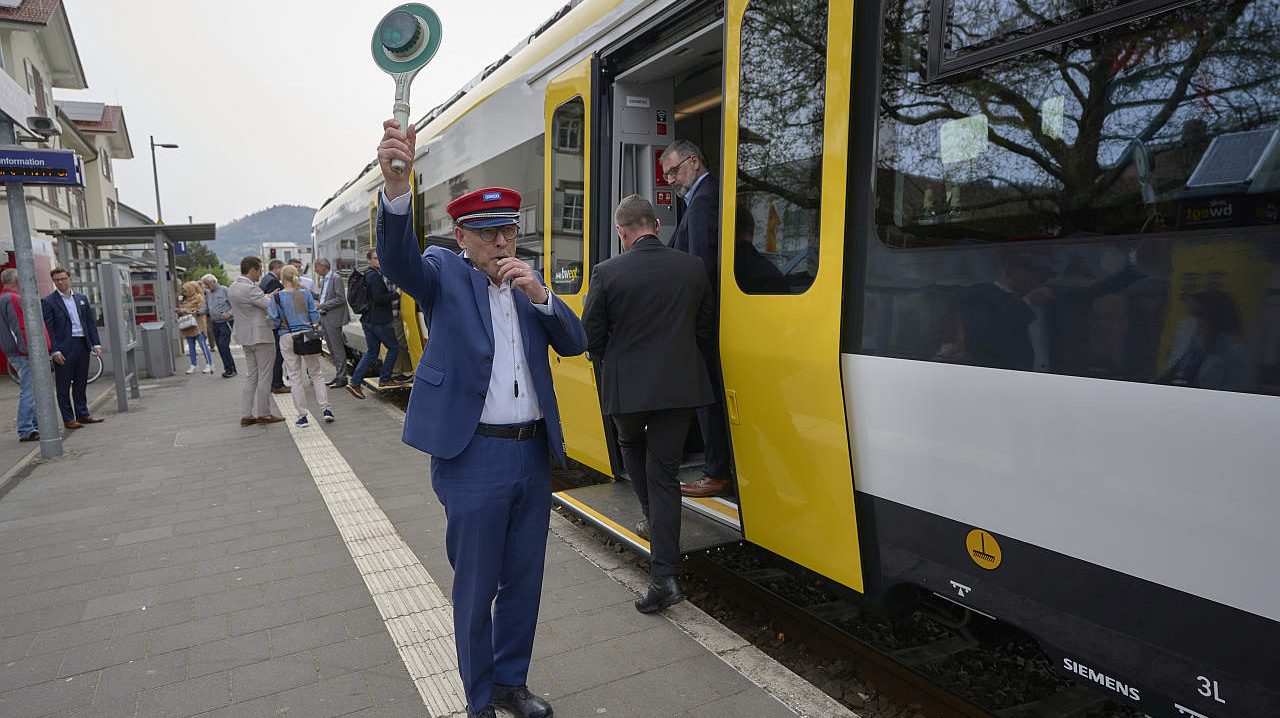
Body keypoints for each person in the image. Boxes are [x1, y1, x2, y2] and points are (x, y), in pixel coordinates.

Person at [377, 118, 587, 718]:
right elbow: (399, 262)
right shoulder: (445, 276)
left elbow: (573, 343)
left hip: (530, 453)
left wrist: (543, 297)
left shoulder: (528, 286)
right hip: (474, 457)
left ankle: (510, 685)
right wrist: (397, 188)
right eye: (489, 234)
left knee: (525, 579)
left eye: (509, 233)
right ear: (462, 237)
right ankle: (476, 703)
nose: (502, 245)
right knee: (476, 589)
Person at [583, 195, 714, 613]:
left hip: (629, 391)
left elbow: (592, 338)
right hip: (679, 386)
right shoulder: (691, 267)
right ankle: (664, 577)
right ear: (656, 224)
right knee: (666, 475)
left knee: (630, 445)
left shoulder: (607, 272)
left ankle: (646, 516)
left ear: (622, 232)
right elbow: (704, 327)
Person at [659, 140, 734, 497]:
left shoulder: (704, 202)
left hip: (703, 321)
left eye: (673, 171)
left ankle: (716, 472)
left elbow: (699, 267)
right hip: (709, 318)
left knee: (708, 397)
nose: (670, 180)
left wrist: (690, 319)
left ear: (693, 161)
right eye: (666, 175)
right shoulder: (700, 201)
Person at [269, 264, 333, 426]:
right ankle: (326, 409)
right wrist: (312, 325)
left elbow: (274, 320)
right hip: (307, 335)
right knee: (316, 373)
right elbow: (314, 314)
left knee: (295, 376)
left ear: (282, 279)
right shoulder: (305, 293)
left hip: (287, 336)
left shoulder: (277, 297)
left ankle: (303, 416)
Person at [41, 268, 103, 430]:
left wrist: (96, 343)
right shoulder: (48, 301)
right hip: (63, 347)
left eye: (63, 279)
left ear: (70, 279)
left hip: (82, 344)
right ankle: (68, 418)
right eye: (56, 280)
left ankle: (82, 414)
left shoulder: (81, 298)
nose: (60, 282)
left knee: (81, 382)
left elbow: (90, 322)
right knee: (63, 384)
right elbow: (49, 328)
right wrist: (54, 350)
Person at [229, 257, 285, 427]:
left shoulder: (233, 288)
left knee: (251, 376)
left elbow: (253, 303)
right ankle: (264, 414)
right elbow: (269, 306)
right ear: (252, 270)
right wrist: (273, 297)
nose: (260, 273)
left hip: (245, 338)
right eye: (259, 270)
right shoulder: (251, 289)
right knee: (265, 375)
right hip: (261, 337)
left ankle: (246, 415)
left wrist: (267, 295)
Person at [345, 249, 402, 399]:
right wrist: (396, 294)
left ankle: (355, 383)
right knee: (394, 347)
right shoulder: (374, 276)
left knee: (372, 352)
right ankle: (385, 379)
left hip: (368, 319)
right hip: (379, 320)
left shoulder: (369, 274)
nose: (379, 260)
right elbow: (378, 298)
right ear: (369, 260)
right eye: (376, 258)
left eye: (380, 258)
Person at [0, 269, 42, 442]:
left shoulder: (3, 298)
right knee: (30, 390)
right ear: (17, 279)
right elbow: (18, 327)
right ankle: (26, 428)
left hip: (12, 350)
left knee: (30, 389)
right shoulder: (13, 299)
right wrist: (29, 350)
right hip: (22, 351)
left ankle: (35, 424)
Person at [314, 258, 350, 388]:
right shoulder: (325, 280)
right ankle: (338, 375)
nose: (315, 270)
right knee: (331, 347)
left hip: (333, 318)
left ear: (324, 267)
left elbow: (340, 299)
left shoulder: (336, 278)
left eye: (316, 267)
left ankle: (342, 377)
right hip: (325, 317)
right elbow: (323, 297)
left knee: (337, 348)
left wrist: (322, 305)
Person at [260, 259, 289, 394]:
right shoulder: (273, 282)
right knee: (279, 354)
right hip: (276, 325)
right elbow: (275, 304)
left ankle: (275, 382)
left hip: (269, 324)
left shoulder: (265, 279)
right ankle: (277, 384)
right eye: (282, 269)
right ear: (277, 268)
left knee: (275, 354)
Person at [201, 274, 237, 378]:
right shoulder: (208, 294)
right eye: (205, 285)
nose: (207, 287)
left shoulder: (225, 290)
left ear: (213, 282)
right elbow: (207, 308)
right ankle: (229, 368)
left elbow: (235, 305)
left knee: (223, 345)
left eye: (207, 284)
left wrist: (229, 314)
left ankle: (230, 369)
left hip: (226, 322)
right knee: (220, 347)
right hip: (215, 323)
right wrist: (198, 312)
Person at [176, 281, 214, 375]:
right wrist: (180, 310)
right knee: (191, 346)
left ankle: (209, 364)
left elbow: (200, 310)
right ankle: (193, 364)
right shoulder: (186, 300)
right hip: (188, 326)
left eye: (186, 290)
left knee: (203, 345)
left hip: (198, 326)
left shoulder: (199, 298)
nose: (185, 293)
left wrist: (185, 310)